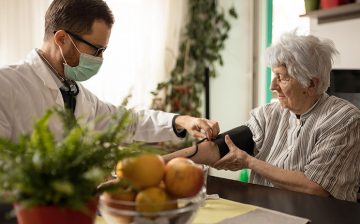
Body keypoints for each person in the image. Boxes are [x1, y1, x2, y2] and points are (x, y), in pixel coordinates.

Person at [164, 32, 360, 202]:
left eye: (282, 77)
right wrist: (161, 162)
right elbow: (218, 147)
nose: (272, 86)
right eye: (273, 75)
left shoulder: (344, 119)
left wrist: (249, 162)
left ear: (310, 84)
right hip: (268, 212)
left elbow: (316, 186)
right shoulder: (269, 114)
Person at [0, 0, 219, 143]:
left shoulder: (78, 96)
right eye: (96, 49)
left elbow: (129, 121)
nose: (100, 59)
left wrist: (181, 121)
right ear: (61, 39)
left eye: (103, 50)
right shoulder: (7, 86)